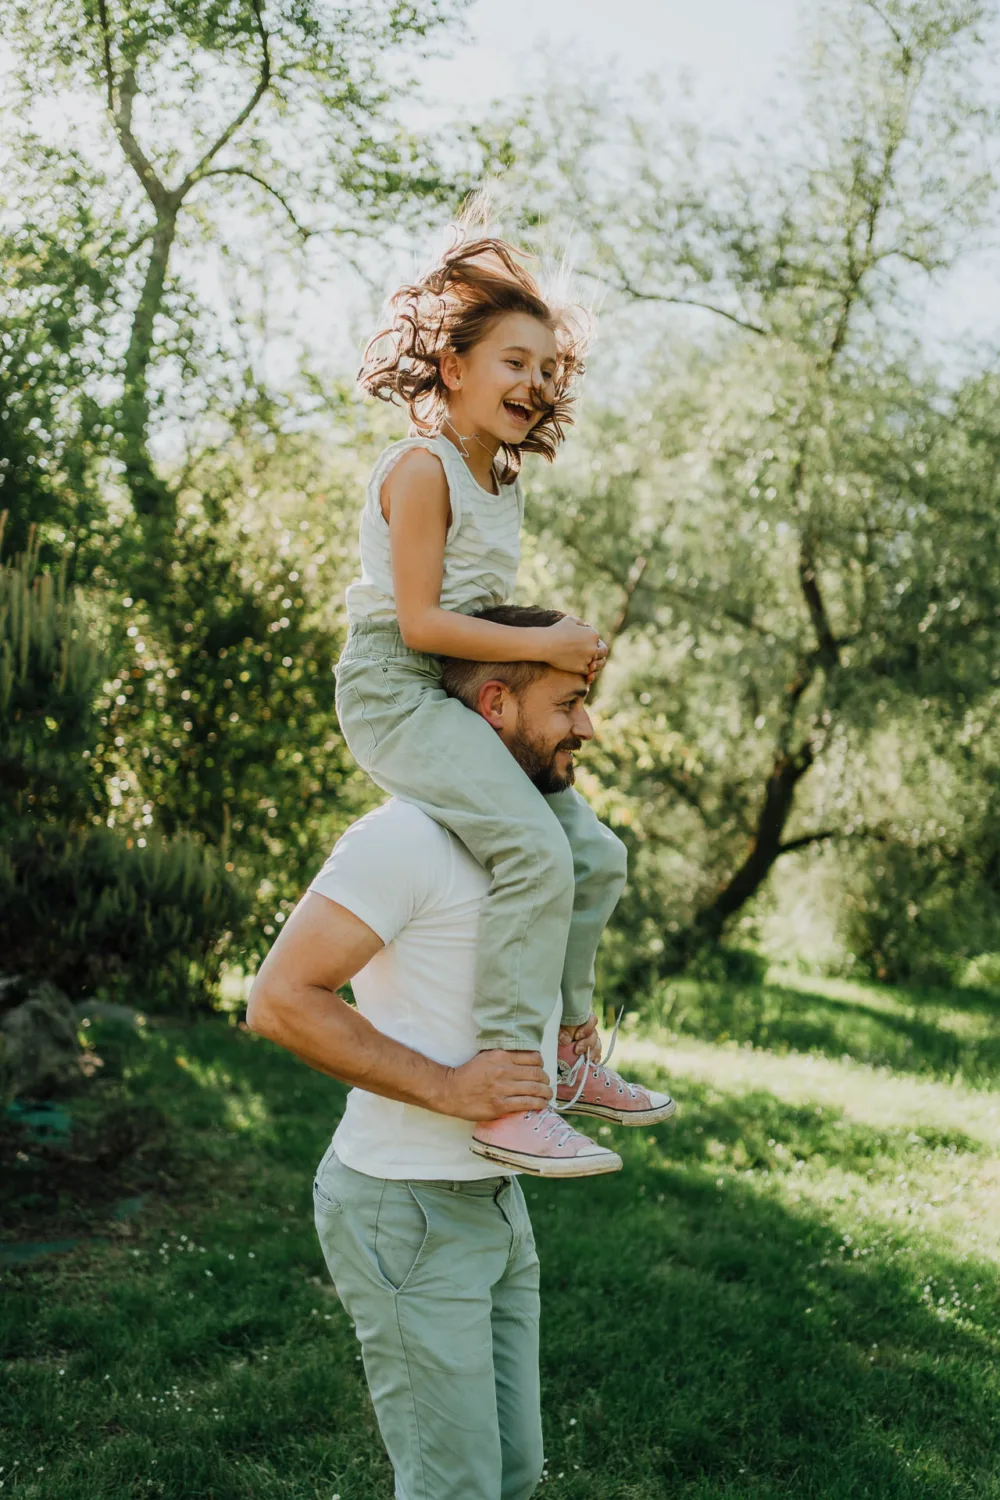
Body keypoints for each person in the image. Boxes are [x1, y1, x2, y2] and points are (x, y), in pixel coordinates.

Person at [246, 612, 674, 1500]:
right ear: (493, 706)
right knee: (456, 1490)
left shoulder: (537, 849)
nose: (587, 730)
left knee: (511, 1476)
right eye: (569, 705)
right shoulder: (402, 840)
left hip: (496, 1205)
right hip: (405, 1209)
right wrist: (449, 1087)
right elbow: (280, 1001)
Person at [337, 224, 667, 1173]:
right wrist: (543, 644)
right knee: (532, 850)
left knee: (595, 857)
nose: (537, 382)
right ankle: (510, 1089)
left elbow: (476, 624)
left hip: (465, 690)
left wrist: (550, 664)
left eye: (550, 368)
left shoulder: (501, 478)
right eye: (515, 360)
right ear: (452, 363)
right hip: (397, 692)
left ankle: (569, 1058)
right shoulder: (421, 469)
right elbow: (421, 625)